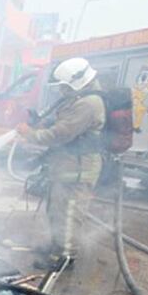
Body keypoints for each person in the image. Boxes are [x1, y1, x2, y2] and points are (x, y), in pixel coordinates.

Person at [16, 57, 105, 269]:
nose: (62, 90)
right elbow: (59, 122)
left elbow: (62, 134)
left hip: (78, 171)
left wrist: (31, 135)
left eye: (65, 86)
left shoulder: (88, 104)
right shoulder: (77, 99)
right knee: (56, 211)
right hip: (66, 168)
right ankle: (56, 247)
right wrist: (39, 123)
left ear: (77, 81)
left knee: (70, 216)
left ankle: (65, 259)